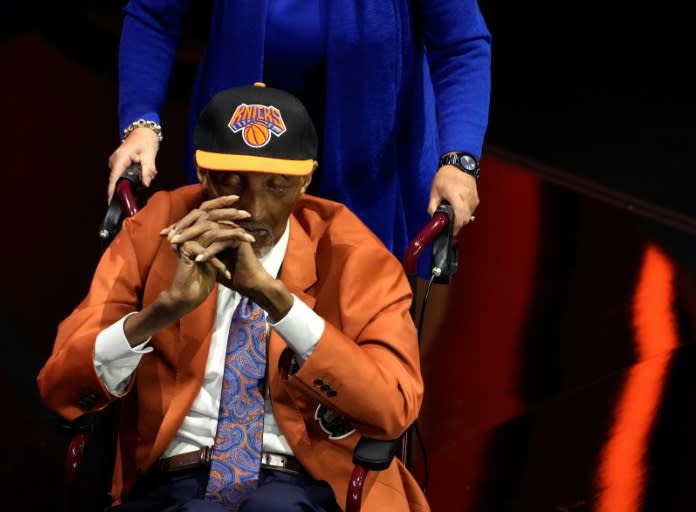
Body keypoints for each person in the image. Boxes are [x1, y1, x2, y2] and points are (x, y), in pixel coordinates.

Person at [39, 83, 427, 511]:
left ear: (305, 180)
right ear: (203, 175)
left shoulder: (355, 254)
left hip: (309, 480)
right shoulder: (155, 231)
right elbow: (60, 386)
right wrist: (162, 311)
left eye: (277, 186)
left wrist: (276, 300)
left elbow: (391, 409)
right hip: (176, 481)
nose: (254, 210)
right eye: (232, 183)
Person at [107, 0, 491, 265]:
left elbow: (460, 45)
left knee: (346, 344)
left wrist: (458, 159)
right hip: (236, 163)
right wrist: (141, 125)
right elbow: (153, 15)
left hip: (369, 174)